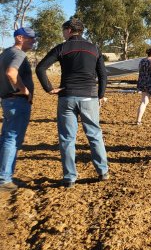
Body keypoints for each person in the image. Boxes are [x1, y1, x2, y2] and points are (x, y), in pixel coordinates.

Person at [36, 18, 109, 188]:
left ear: (69, 30)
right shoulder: (94, 48)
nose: (63, 33)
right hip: (89, 97)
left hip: (67, 97)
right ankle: (103, 171)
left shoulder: (62, 48)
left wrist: (49, 89)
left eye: (63, 30)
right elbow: (103, 75)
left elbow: (40, 68)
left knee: (67, 139)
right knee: (94, 135)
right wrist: (100, 95)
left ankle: (69, 178)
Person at [0, 27, 36, 192]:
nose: (34, 41)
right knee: (12, 140)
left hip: (7, 100)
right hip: (17, 102)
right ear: (19, 38)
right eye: (30, 38)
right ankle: (4, 179)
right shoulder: (18, 54)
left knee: (6, 138)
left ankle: (3, 175)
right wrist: (24, 90)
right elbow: (11, 73)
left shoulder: (6, 53)